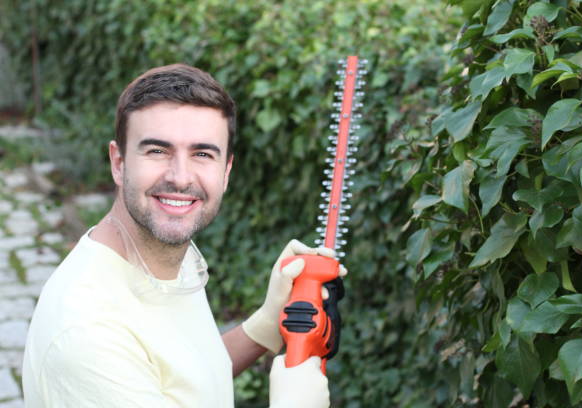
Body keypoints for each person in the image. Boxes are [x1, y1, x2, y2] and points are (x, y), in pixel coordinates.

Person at [22, 64, 344, 407]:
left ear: (226, 172)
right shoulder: (89, 334)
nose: (180, 177)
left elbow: (178, 383)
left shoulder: (167, 254)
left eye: (202, 154)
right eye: (157, 151)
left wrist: (263, 326)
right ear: (118, 163)